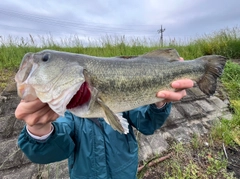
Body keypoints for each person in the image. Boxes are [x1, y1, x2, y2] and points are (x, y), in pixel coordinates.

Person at [16, 72, 193, 178]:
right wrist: (38, 129)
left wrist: (159, 102)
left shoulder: (122, 100)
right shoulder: (68, 110)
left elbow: (146, 123)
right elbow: (58, 146)